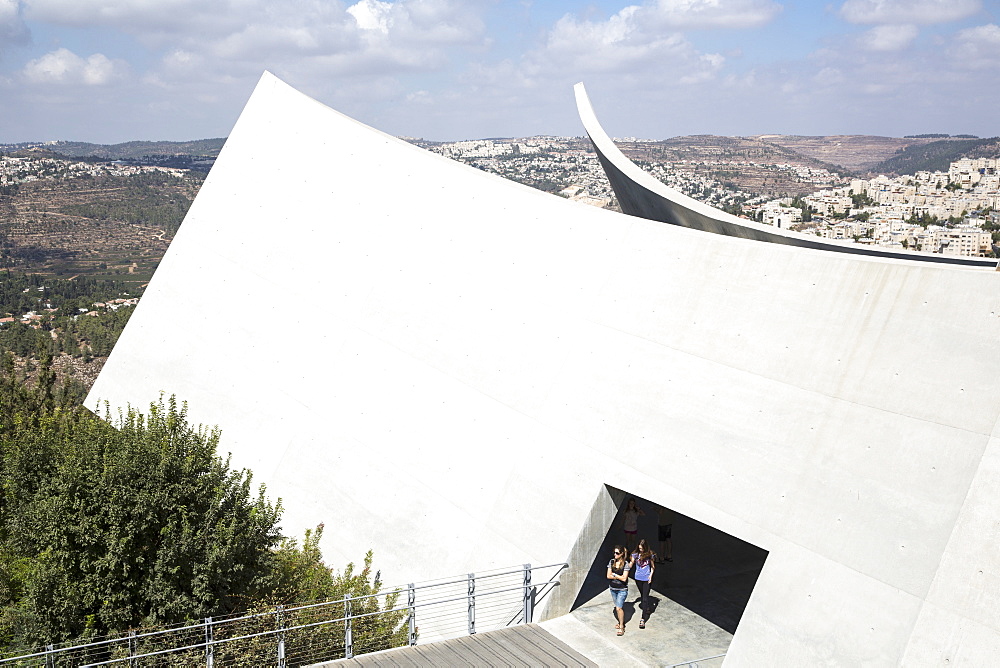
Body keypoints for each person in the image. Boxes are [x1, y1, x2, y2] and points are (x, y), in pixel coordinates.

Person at [607, 545, 632, 636]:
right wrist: (618, 576)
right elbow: (608, 576)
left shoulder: (625, 564)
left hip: (622, 589)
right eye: (614, 553)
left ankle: (622, 626)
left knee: (618, 608)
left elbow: (624, 578)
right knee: (617, 606)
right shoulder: (611, 562)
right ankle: (620, 621)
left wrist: (615, 575)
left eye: (617, 553)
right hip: (613, 589)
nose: (615, 555)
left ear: (621, 554)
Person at [631, 538, 656, 628]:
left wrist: (650, 576)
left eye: (642, 549)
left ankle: (642, 619)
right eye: (639, 548)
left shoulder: (650, 555)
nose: (641, 550)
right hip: (638, 578)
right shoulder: (635, 554)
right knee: (642, 595)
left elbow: (653, 567)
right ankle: (647, 608)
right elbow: (631, 564)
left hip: (646, 578)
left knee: (644, 598)